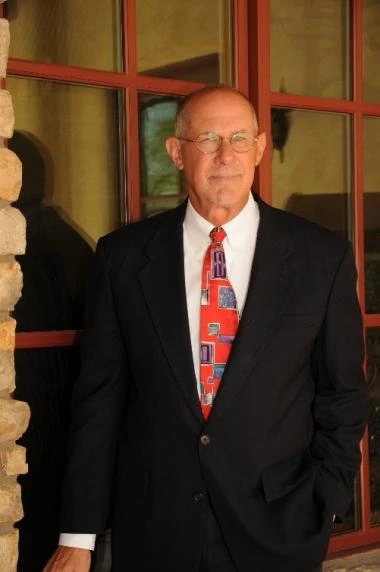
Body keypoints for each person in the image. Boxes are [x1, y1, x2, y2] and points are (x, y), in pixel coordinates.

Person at [43, 86, 368, 572]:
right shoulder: (122, 259)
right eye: (208, 139)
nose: (225, 156)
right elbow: (100, 401)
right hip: (155, 529)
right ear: (176, 152)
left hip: (280, 528)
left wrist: (327, 500)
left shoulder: (322, 258)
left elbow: (343, 393)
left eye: (240, 139)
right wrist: (78, 536)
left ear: (259, 148)